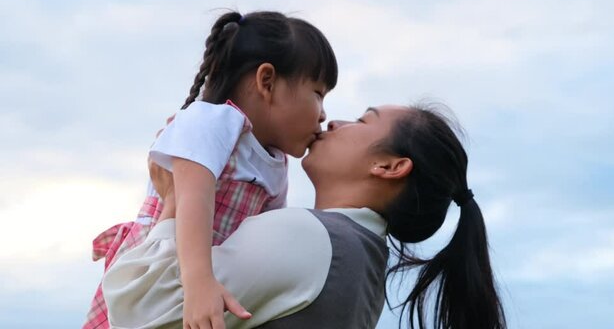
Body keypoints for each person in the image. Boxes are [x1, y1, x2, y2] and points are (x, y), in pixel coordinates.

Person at [103, 104, 507, 329]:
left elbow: (137, 314)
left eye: (363, 121)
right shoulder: (362, 260)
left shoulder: (311, 239)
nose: (335, 121)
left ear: (389, 167)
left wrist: (174, 202)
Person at [84, 10, 338, 329]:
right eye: (317, 93)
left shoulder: (276, 164)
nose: (323, 114)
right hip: (163, 265)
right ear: (267, 81)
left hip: (208, 280)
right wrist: (199, 282)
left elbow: (264, 236)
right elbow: (193, 198)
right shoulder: (213, 121)